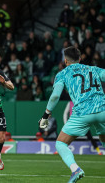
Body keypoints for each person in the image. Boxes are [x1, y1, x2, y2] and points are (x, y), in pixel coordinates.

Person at [39, 46, 105, 183]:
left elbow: (55, 96)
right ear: (80, 59)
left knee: (60, 144)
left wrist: (45, 115)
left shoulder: (62, 74)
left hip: (82, 113)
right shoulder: (93, 69)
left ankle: (76, 169)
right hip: (102, 109)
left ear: (65, 61)